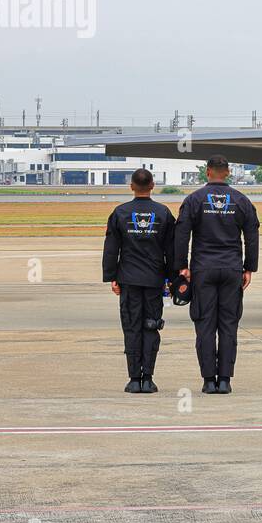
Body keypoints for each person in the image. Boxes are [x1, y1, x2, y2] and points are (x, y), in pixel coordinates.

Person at [174, 155, 260, 394]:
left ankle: (208, 380)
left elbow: (181, 234)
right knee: (228, 324)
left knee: (205, 324)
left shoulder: (194, 200)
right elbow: (252, 235)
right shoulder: (241, 200)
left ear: (207, 172)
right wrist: (249, 267)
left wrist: (181, 266)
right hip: (232, 269)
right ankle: (225, 380)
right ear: (229, 172)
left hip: (203, 269)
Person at [102, 168, 176, 393]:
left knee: (132, 327)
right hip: (154, 280)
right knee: (151, 327)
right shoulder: (163, 214)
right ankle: (148, 378)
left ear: (132, 186)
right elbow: (171, 251)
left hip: (129, 280)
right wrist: (172, 279)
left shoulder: (120, 213)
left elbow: (111, 248)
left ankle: (134, 379)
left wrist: (112, 276)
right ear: (153, 185)